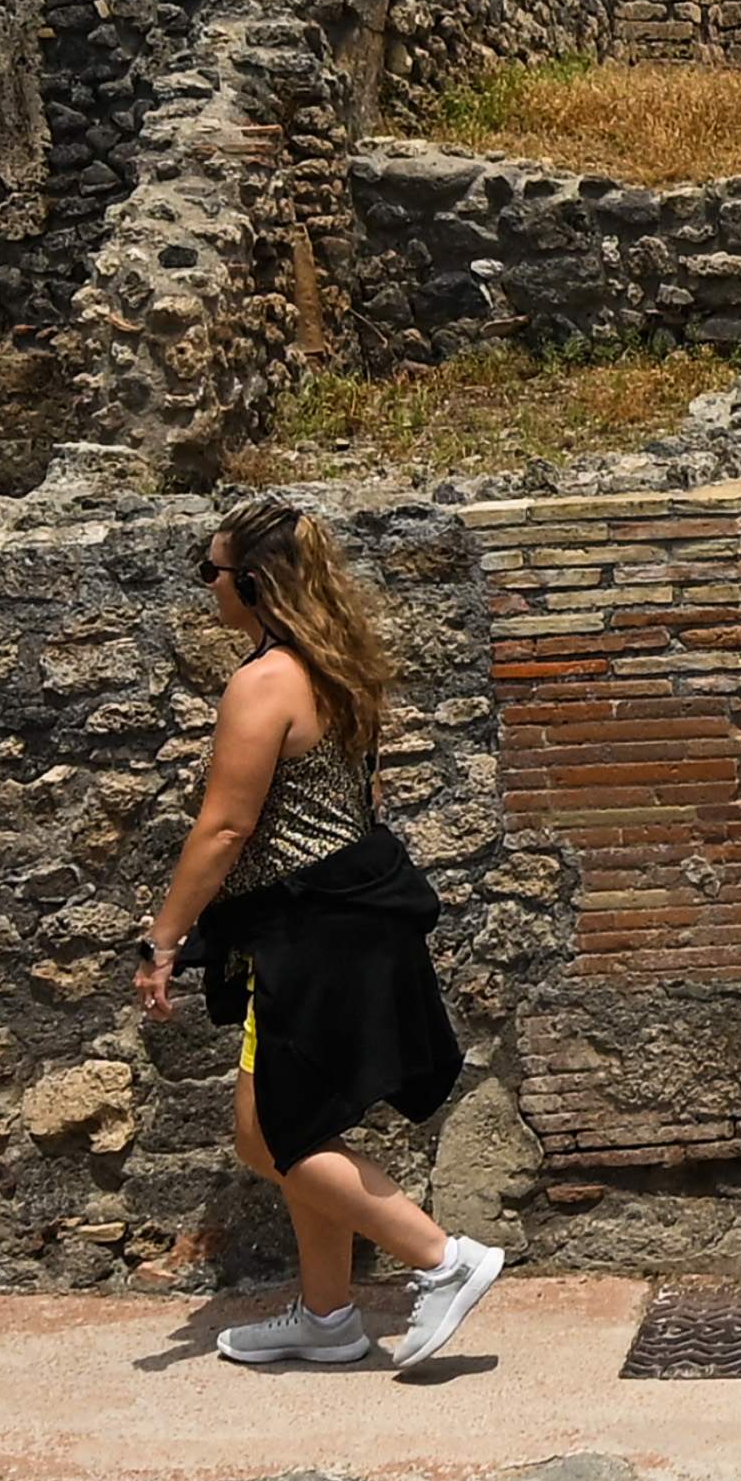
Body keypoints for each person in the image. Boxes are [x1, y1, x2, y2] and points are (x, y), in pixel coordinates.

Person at [135, 500, 506, 1374]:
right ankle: (329, 1314)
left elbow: (225, 829)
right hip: (352, 916)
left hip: (309, 935)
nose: (207, 589)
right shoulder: (336, 667)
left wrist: (164, 940)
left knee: (268, 1137)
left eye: (212, 573)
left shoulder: (262, 683)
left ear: (254, 585)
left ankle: (442, 1260)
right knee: (305, 1124)